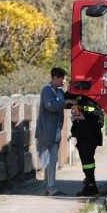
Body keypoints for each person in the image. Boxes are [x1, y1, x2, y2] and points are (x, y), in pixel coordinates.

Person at [35, 67, 68, 196]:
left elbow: (66, 101)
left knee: (51, 159)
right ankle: (51, 187)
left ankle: (47, 187)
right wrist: (65, 102)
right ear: (54, 77)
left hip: (56, 131)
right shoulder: (47, 90)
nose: (64, 81)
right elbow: (51, 106)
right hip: (47, 131)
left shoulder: (59, 91)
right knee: (51, 159)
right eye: (62, 78)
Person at [68, 95, 105, 197]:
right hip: (81, 134)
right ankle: (90, 184)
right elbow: (66, 101)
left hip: (90, 134)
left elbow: (96, 115)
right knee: (85, 159)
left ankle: (90, 185)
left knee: (87, 158)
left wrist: (82, 116)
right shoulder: (77, 94)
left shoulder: (94, 96)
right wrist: (71, 100)